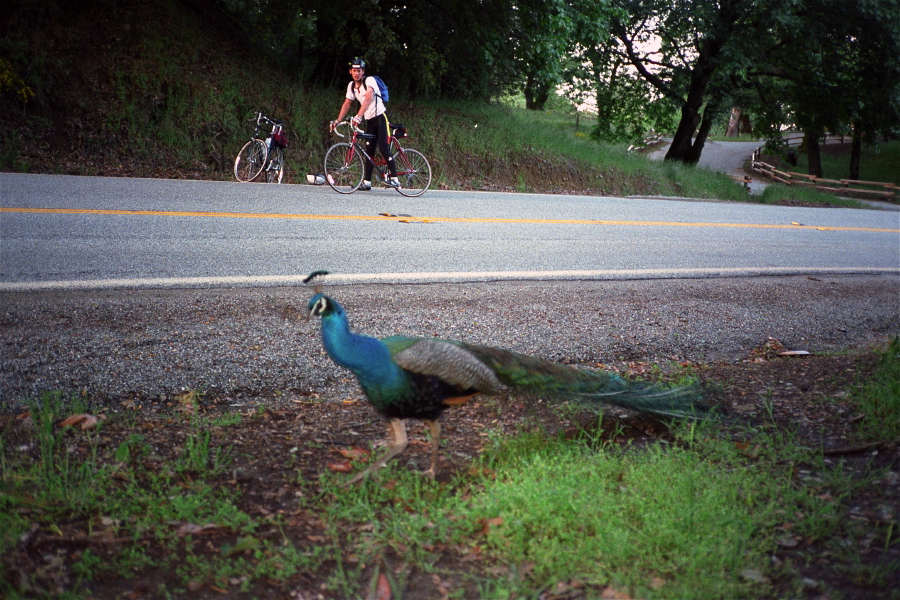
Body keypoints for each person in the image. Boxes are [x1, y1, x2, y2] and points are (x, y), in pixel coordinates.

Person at [332, 58, 400, 189]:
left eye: (359, 71)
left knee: (384, 148)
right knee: (369, 152)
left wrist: (358, 116)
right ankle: (367, 182)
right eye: (354, 71)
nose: (356, 73)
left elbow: (368, 98)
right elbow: (347, 103)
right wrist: (337, 120)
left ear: (363, 71)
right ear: (350, 71)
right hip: (370, 121)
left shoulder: (369, 81)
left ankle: (395, 179)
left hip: (380, 118)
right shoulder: (351, 86)